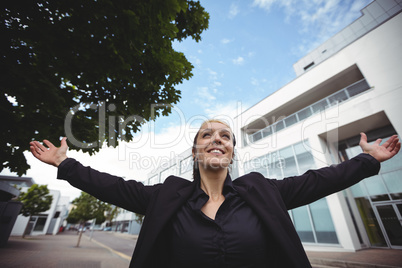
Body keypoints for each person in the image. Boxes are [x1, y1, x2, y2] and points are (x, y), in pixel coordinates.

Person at [30, 120, 400, 268]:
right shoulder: (167, 195)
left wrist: (366, 161)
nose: (217, 139)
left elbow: (319, 180)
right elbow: (113, 187)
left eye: (225, 136)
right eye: (207, 135)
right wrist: (66, 165)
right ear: (195, 152)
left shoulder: (262, 192)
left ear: (232, 153)